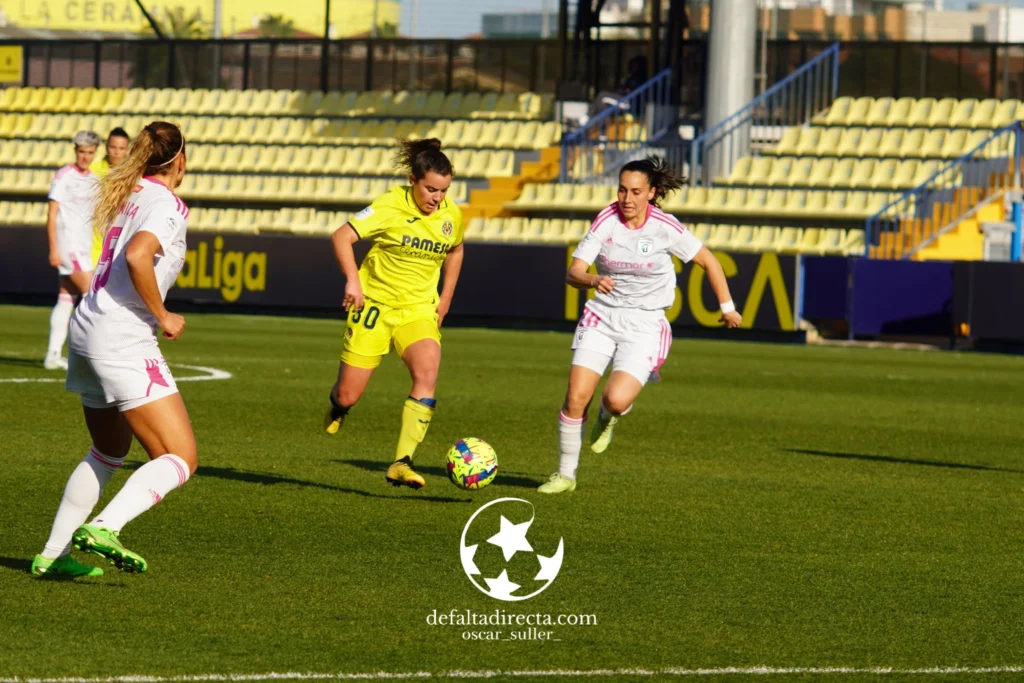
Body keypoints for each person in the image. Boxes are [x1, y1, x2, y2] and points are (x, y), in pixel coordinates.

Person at [31, 121, 194, 577]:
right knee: (180, 456)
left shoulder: (131, 191)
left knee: (108, 450)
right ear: (180, 161)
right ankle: (106, 527)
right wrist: (163, 315)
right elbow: (139, 256)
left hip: (87, 325)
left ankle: (53, 554)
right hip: (121, 335)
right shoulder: (166, 203)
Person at [538, 156, 743, 495]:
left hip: (645, 324)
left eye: (635, 191)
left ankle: (608, 416)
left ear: (651, 192)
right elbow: (573, 273)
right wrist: (593, 279)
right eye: (622, 190)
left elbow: (709, 261)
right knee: (576, 397)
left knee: (616, 400)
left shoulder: (665, 226)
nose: (627, 198)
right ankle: (565, 475)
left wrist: (728, 308)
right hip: (602, 316)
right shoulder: (606, 219)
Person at [323, 137, 465, 490]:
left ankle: (402, 462)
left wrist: (445, 298)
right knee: (348, 395)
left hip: (417, 309)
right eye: (431, 189)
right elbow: (341, 237)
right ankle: (338, 407)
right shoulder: (389, 205)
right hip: (373, 306)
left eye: (444, 191)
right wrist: (353, 281)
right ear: (413, 180)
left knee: (427, 370)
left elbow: (456, 250)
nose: (438, 198)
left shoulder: (451, 214)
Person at [43, 131, 102, 371]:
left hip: (83, 247)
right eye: (82, 151)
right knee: (92, 298)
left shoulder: (93, 180)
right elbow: (52, 214)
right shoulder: (64, 176)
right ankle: (89, 356)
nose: (85, 157)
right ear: (75, 150)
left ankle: (53, 355)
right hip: (68, 246)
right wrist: (53, 249)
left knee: (67, 297)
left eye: (90, 152)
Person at [90, 127, 131, 265]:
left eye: (121, 148)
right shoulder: (92, 172)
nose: (117, 152)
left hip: (121, 235)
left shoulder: (132, 174)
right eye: (113, 147)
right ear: (106, 147)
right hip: (95, 237)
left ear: (127, 150)